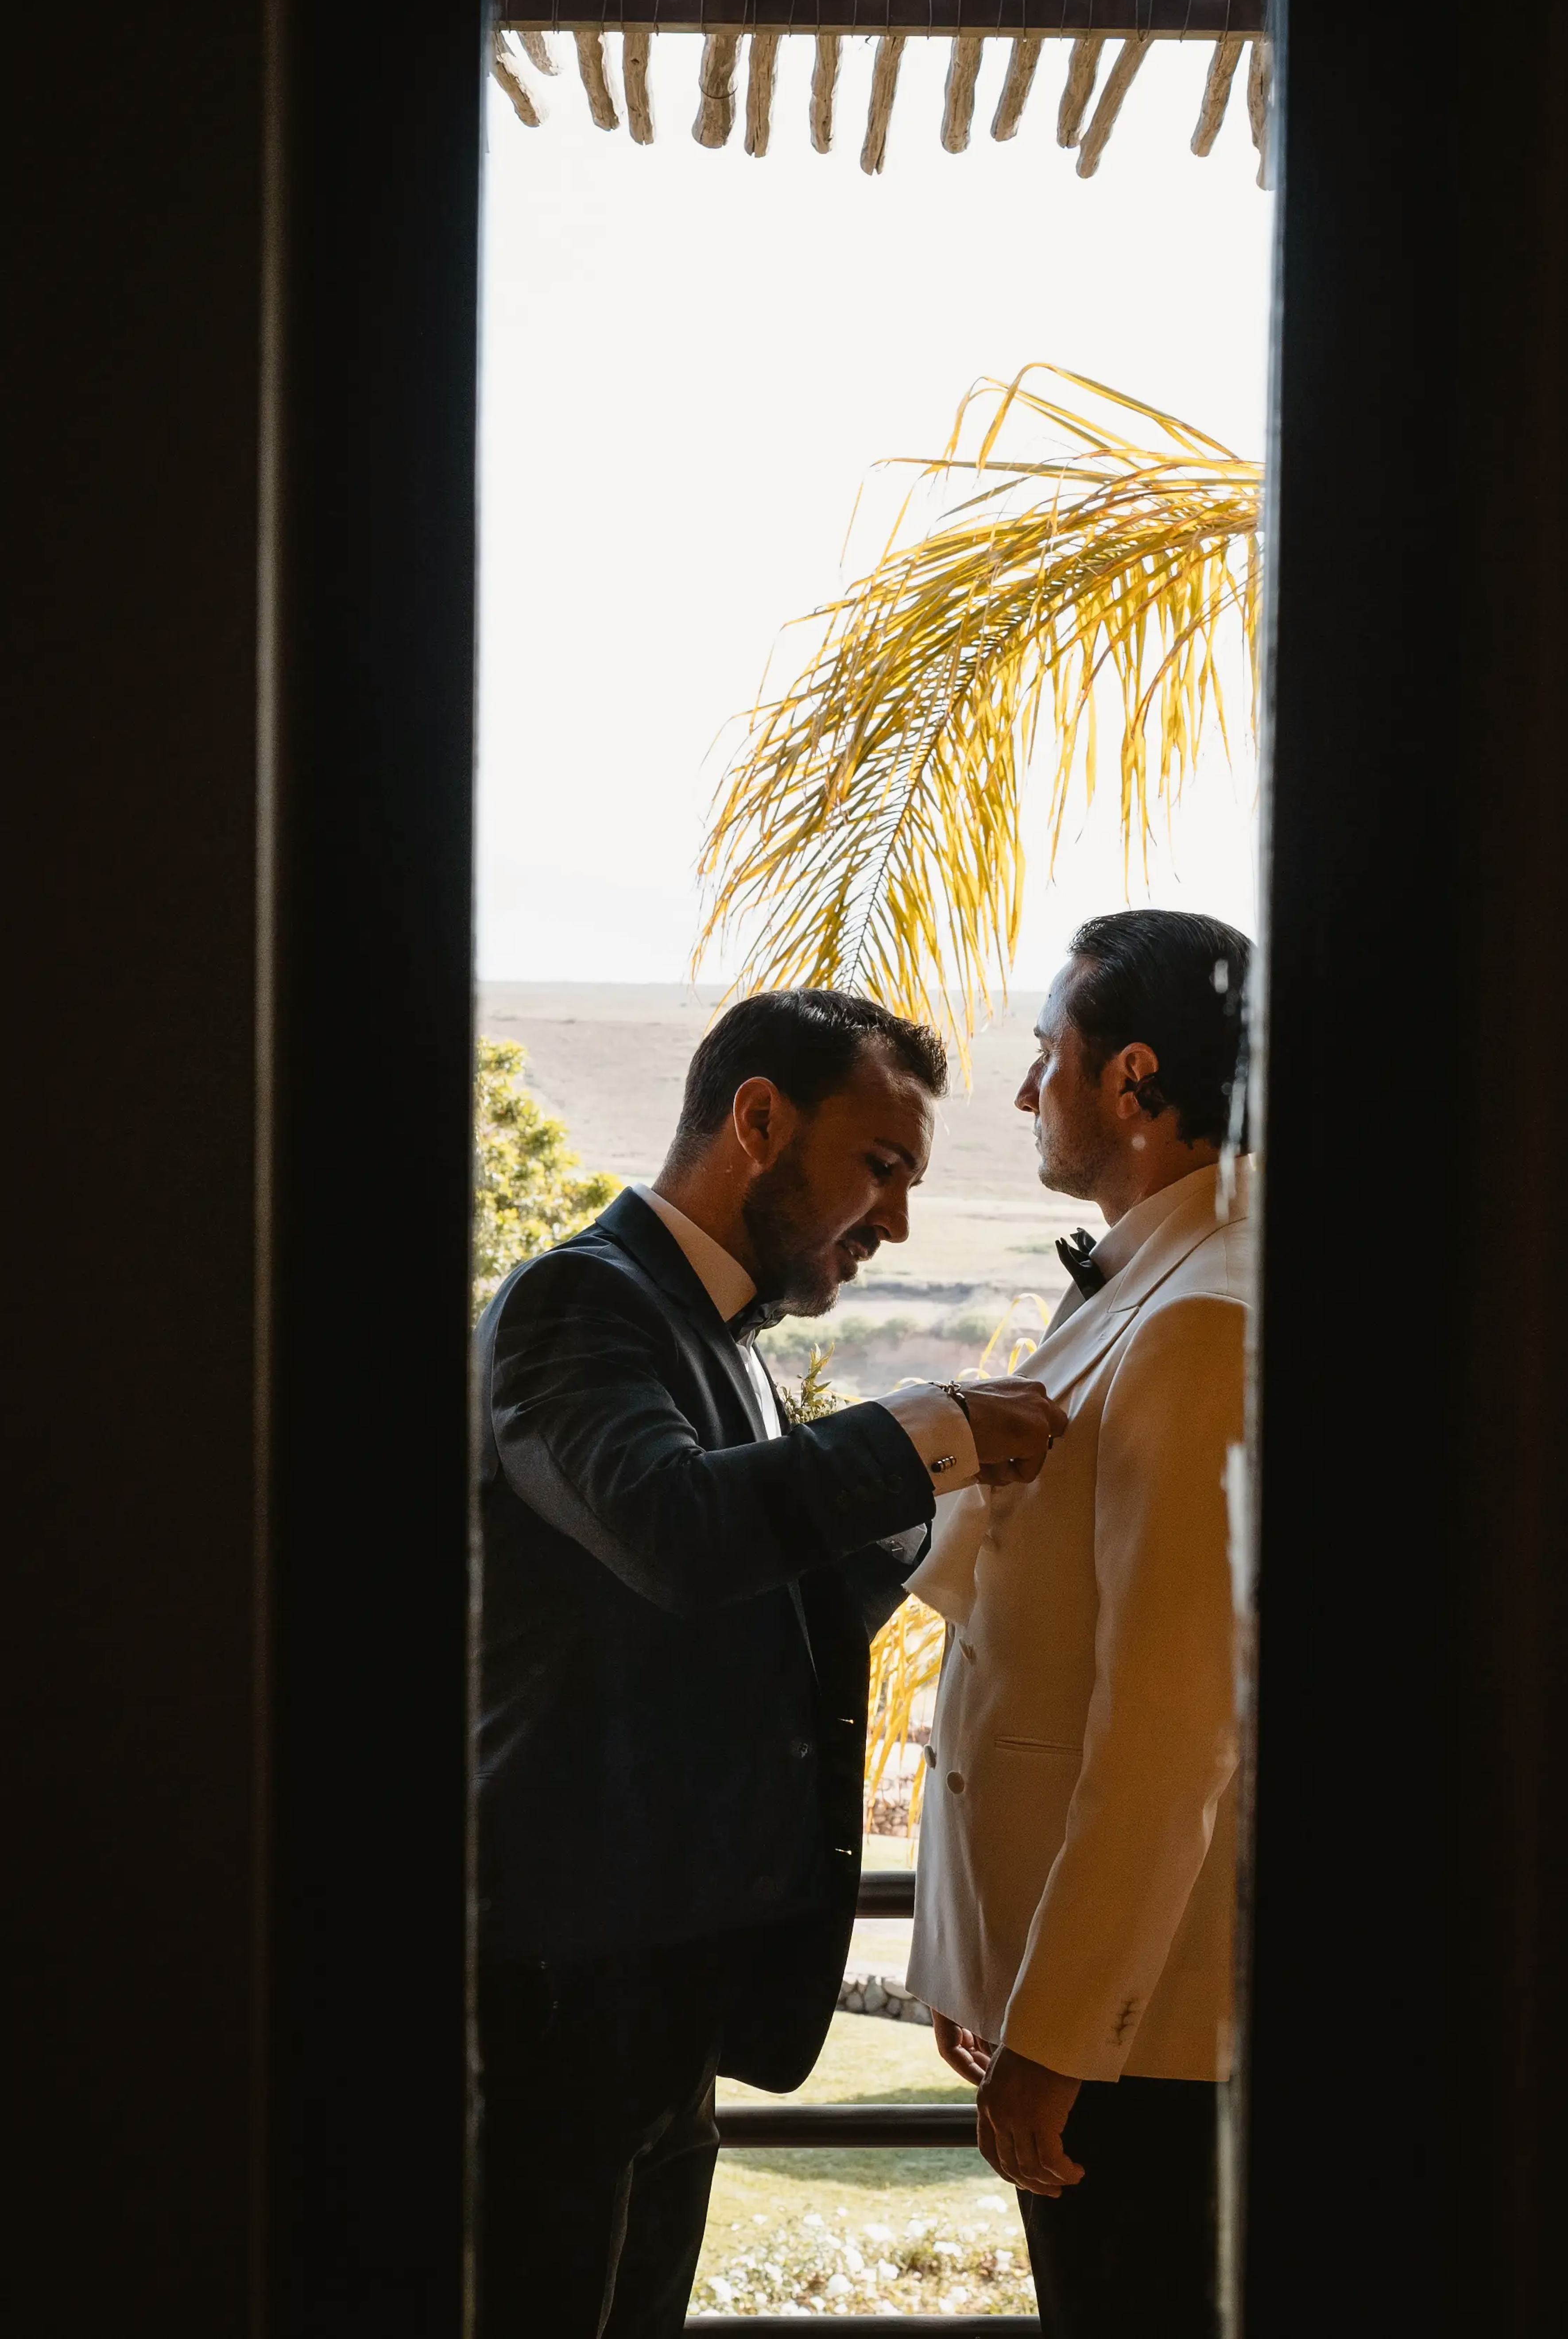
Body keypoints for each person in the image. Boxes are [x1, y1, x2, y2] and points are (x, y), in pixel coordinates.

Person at [474, 987, 1067, 2339]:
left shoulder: (724, 1343)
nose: (899, 1221)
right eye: (882, 1165)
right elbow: (677, 1533)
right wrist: (931, 1427)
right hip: (554, 1992)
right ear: (757, 1119)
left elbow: (763, 1613)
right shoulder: (582, 1302)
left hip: (660, 1995)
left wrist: (961, 1503)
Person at [906, 909, 1254, 2339]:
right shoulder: (1160, 1276)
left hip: (1146, 2048)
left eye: (1046, 1053)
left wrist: (1056, 2033)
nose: (1024, 1088)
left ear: (1133, 1082)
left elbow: (1170, 1722)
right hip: (1093, 2009)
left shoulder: (1205, 1317)